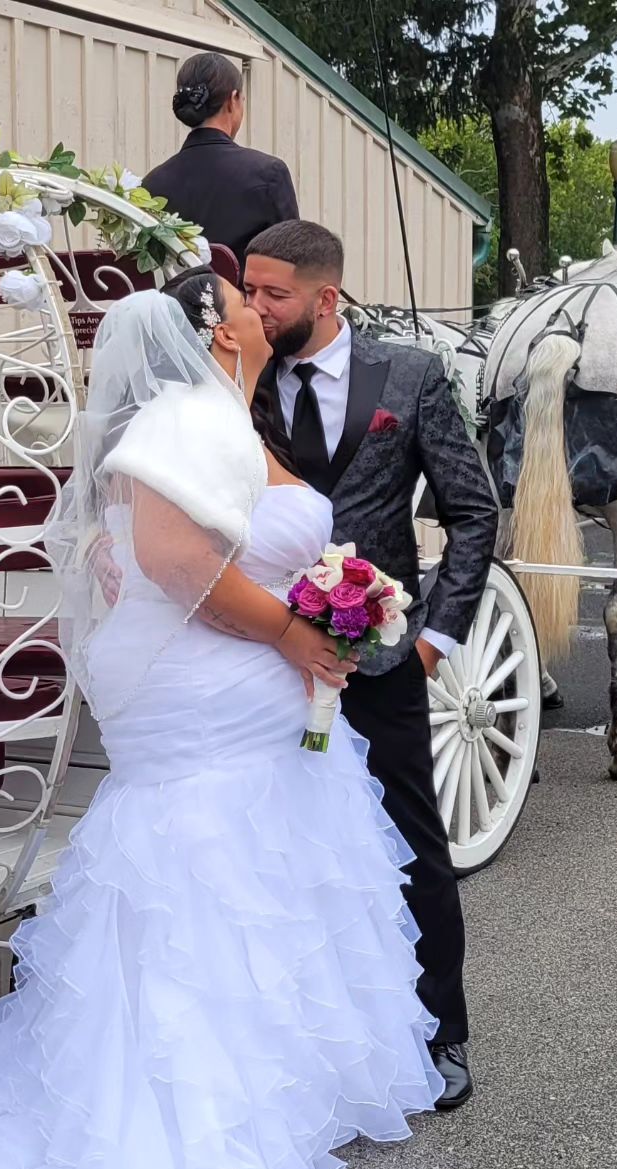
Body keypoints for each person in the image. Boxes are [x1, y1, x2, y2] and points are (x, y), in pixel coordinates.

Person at [0, 271, 444, 1169]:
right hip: (205, 690)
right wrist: (301, 634)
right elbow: (172, 556)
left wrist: (335, 606)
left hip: (243, 686)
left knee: (260, 879)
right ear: (215, 331)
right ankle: (188, 1110)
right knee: (209, 865)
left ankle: (276, 1087)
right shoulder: (178, 418)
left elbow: (178, 545)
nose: (261, 308)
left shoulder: (224, 418)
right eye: (243, 298)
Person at [244, 220, 498, 1109]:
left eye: (273, 293)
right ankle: (312, 1043)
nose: (256, 306)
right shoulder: (241, 380)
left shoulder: (413, 379)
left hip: (385, 661)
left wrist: (436, 639)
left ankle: (443, 1032)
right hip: (268, 660)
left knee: (410, 850)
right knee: (287, 853)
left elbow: (473, 512)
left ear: (326, 297)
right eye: (250, 289)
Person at [142, 52, 298, 271]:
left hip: (172, 304)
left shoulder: (151, 185)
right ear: (233, 100)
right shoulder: (268, 174)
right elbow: (292, 263)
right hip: (242, 303)